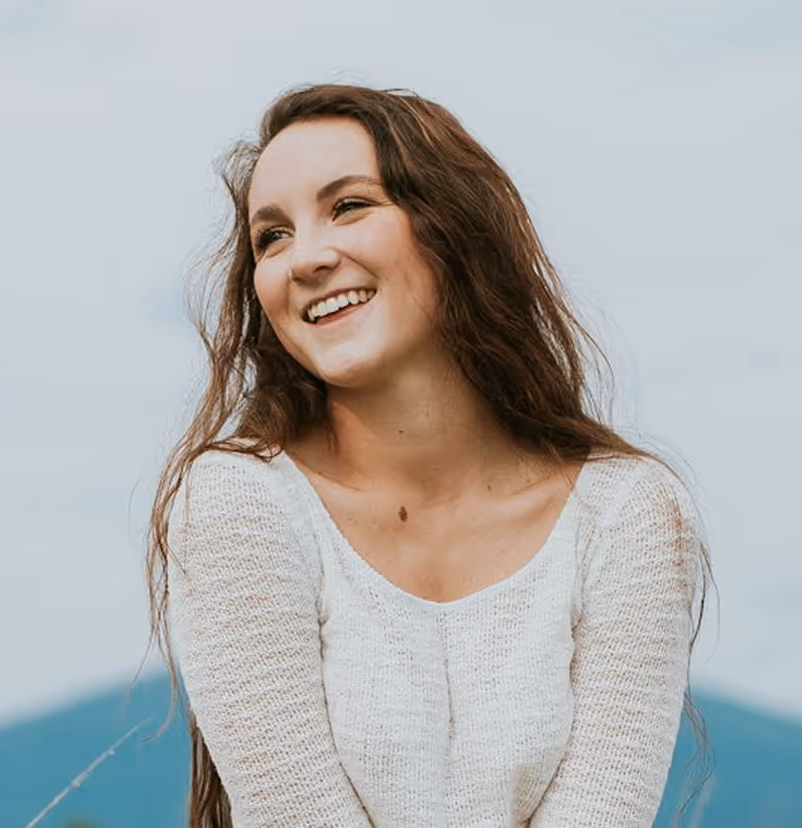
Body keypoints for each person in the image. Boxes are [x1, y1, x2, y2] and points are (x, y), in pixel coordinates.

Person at [143, 82, 713, 827]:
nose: (305, 258)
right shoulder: (239, 505)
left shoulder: (628, 515)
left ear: (453, 227)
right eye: (271, 236)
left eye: (348, 206)